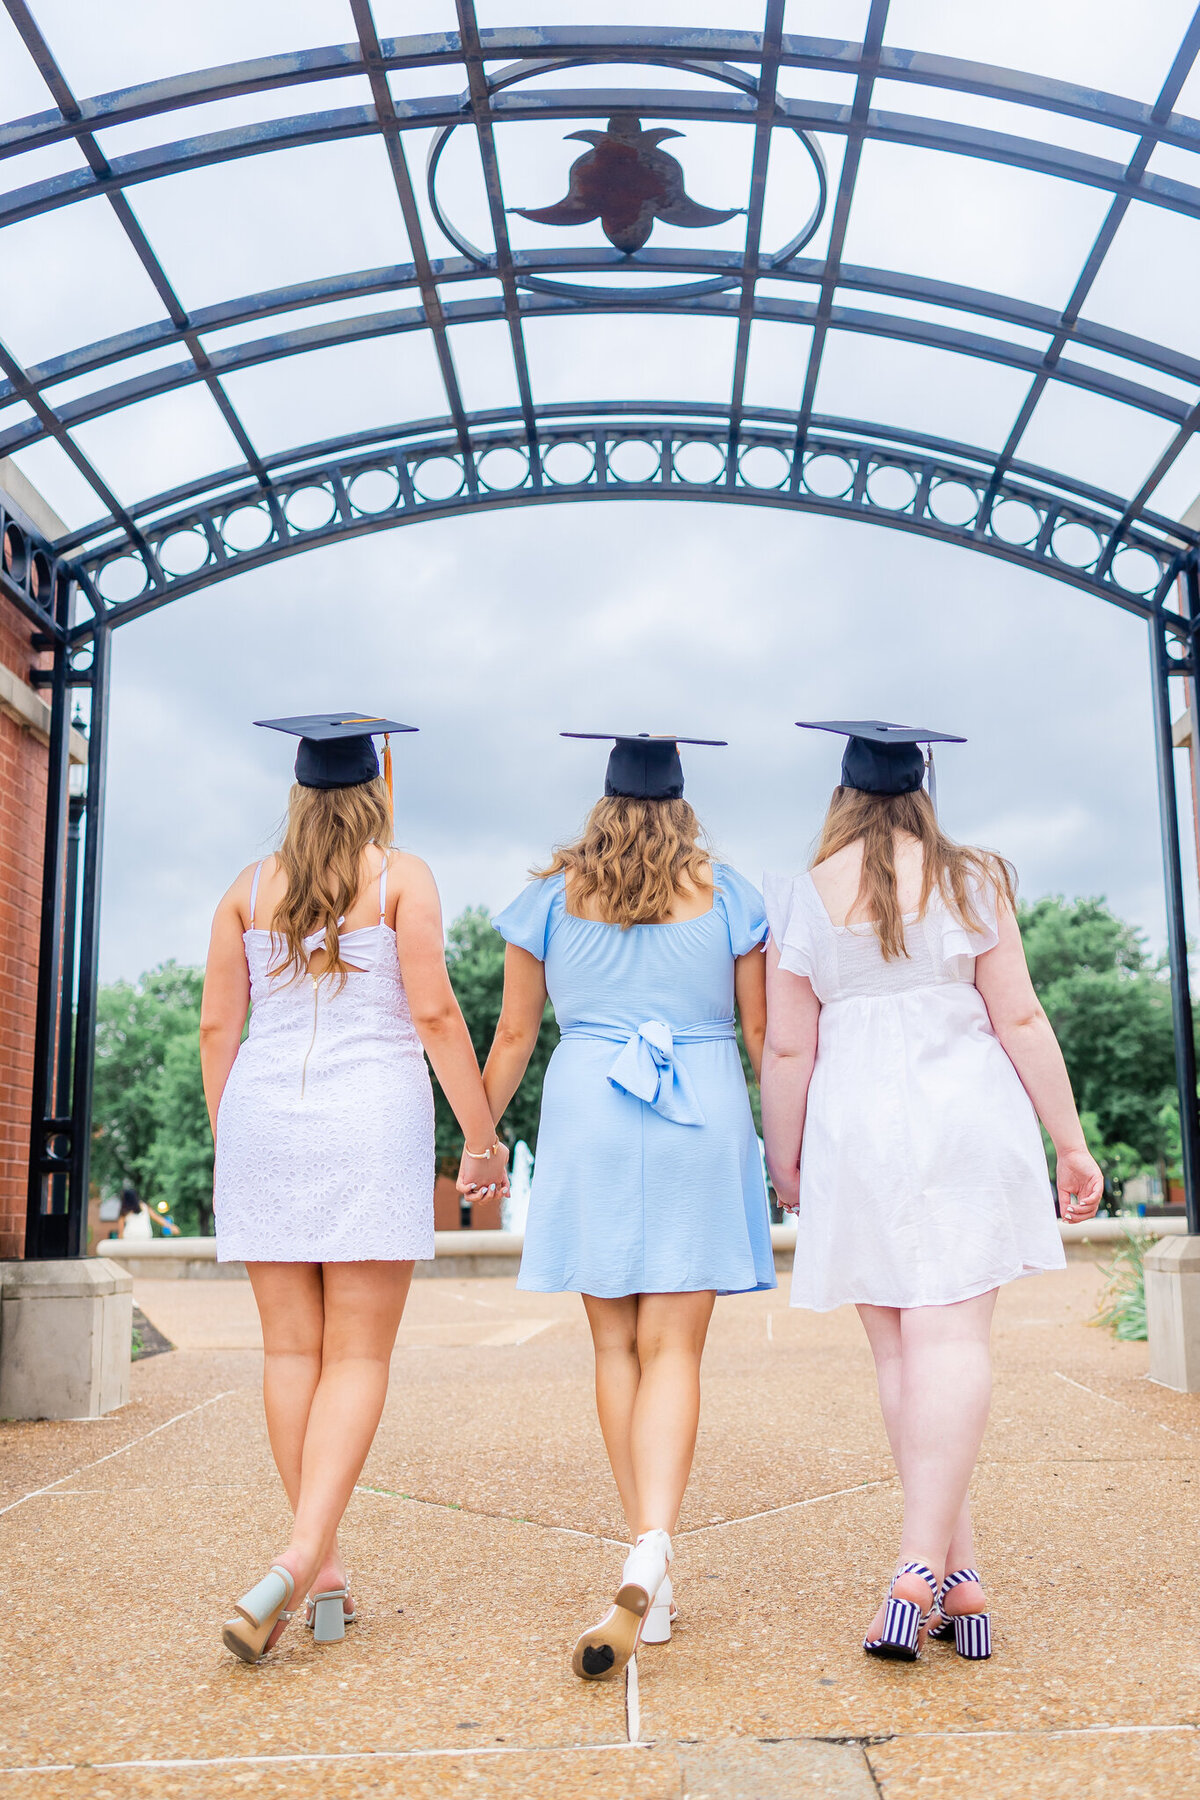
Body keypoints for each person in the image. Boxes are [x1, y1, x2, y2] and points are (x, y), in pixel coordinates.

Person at [761, 720, 1102, 1664]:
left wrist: (784, 1159)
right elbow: (1021, 1016)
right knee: (951, 1339)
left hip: (854, 1122)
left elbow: (789, 1046)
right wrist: (1069, 1144)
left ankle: (927, 1568)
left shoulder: (801, 894)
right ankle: (949, 1573)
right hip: (965, 1108)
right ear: (921, 791)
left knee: (898, 1358)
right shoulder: (972, 876)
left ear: (841, 797)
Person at [201, 711, 508, 1664]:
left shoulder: (245, 890)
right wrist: (481, 1135)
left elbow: (217, 1032)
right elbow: (432, 1009)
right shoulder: (402, 877)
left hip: (264, 1117)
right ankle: (301, 1555)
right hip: (371, 1117)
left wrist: (232, 1141)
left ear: (296, 794)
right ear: (376, 787)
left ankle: (324, 1569)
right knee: (359, 1359)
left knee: (290, 1352)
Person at [476, 732, 775, 1681]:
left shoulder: (550, 898)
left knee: (614, 1348)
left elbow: (516, 1033)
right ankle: (654, 1549)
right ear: (684, 805)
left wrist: (481, 1140)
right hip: (701, 1105)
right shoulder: (729, 895)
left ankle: (650, 1557)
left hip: (592, 1107)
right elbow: (764, 1034)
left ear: (601, 803)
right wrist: (794, 1148)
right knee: (675, 1350)